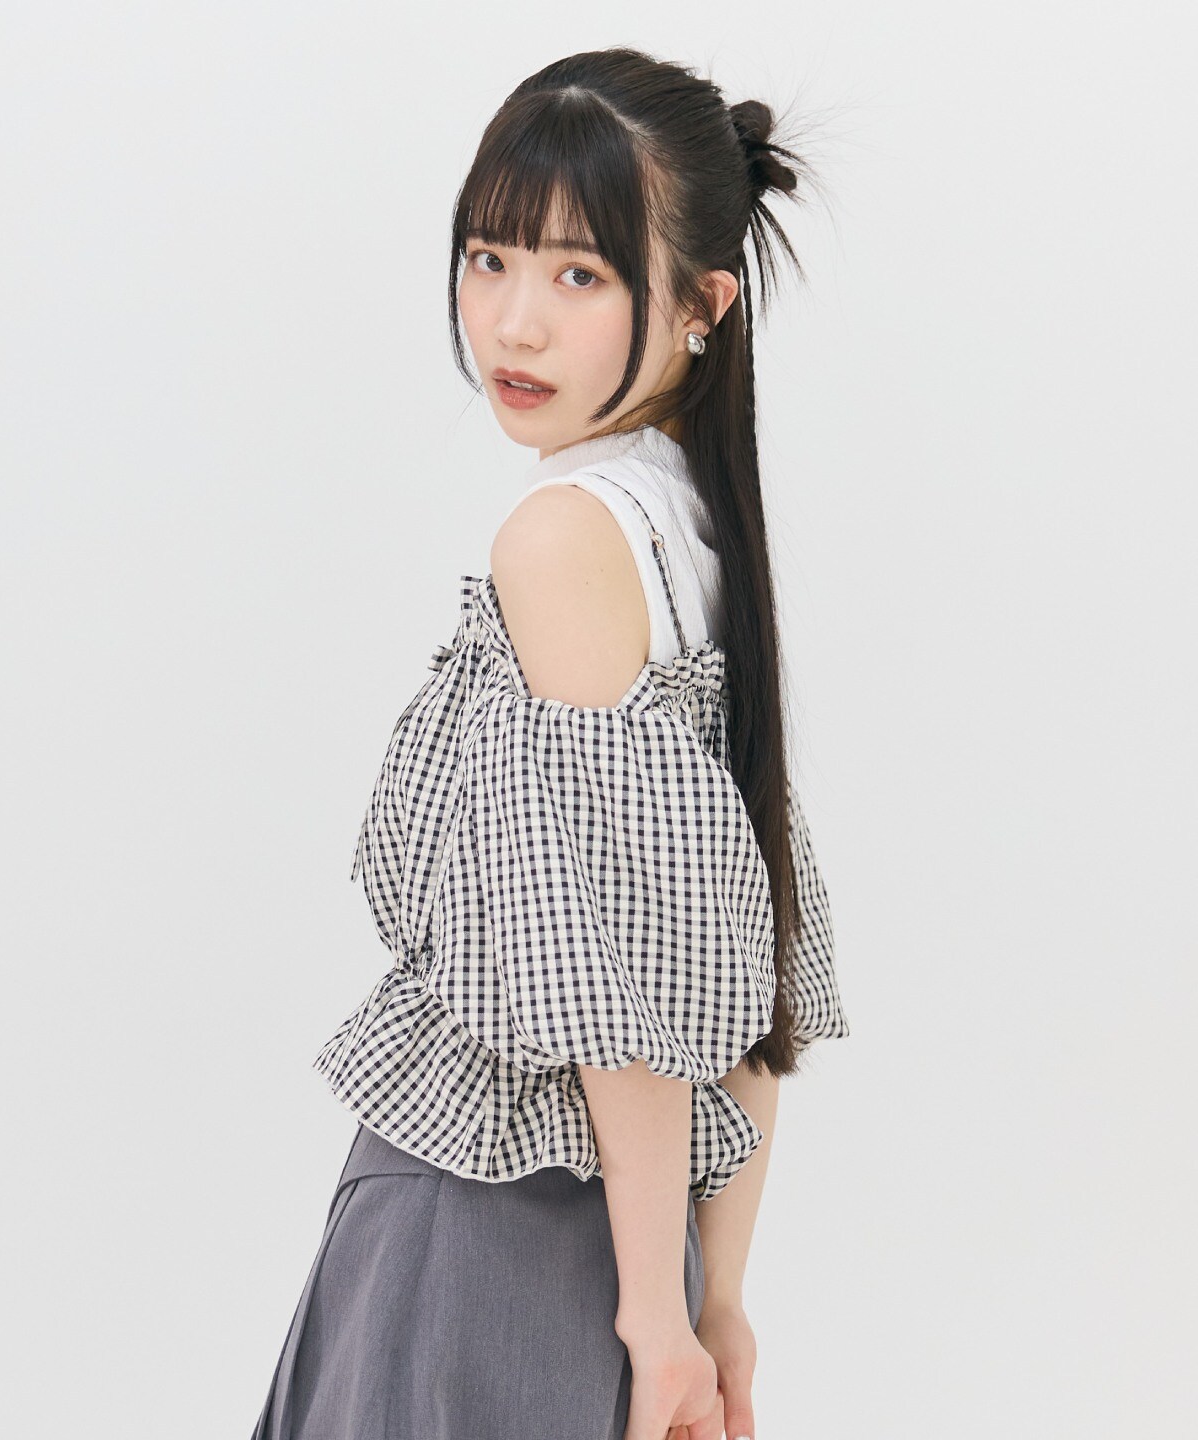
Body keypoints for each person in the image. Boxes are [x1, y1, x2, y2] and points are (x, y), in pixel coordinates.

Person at [250, 44, 849, 1440]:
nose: (513, 323)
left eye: (580, 274)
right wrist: (712, 1292)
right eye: (489, 259)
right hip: (629, 1246)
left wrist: (658, 1316)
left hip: (490, 1233)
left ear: (701, 305)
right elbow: (743, 974)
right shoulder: (695, 532)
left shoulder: (565, 538)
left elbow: (613, 986)